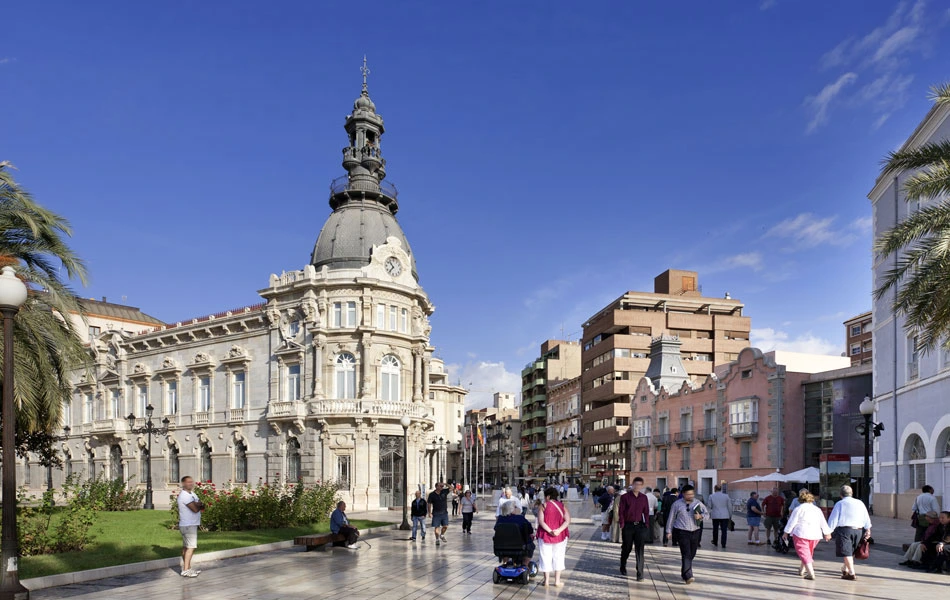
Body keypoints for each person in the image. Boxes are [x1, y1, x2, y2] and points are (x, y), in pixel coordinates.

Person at [782, 489, 832, 580]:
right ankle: (802, 570)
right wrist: (827, 533)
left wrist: (786, 532)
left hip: (801, 533)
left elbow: (792, 522)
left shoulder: (798, 509)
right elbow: (823, 522)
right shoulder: (817, 509)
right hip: (815, 534)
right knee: (807, 552)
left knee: (804, 553)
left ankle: (810, 573)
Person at [664, 484, 709, 584]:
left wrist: (700, 516)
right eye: (688, 494)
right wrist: (668, 531)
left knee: (692, 553)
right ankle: (688, 576)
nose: (690, 496)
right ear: (683, 494)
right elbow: (671, 518)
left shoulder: (698, 503)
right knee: (686, 553)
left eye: (692, 494)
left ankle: (684, 572)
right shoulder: (676, 504)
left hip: (695, 531)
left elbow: (707, 514)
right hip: (681, 531)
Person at [827, 485, 871, 581]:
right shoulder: (860, 503)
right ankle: (845, 568)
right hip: (858, 530)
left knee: (846, 551)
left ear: (841, 494)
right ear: (852, 493)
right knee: (851, 551)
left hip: (845, 530)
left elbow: (834, 518)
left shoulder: (840, 504)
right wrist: (868, 529)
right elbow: (866, 516)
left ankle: (851, 573)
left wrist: (828, 531)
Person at [537, 486, 570, 587]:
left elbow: (541, 521)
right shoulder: (562, 506)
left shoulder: (543, 506)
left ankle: (546, 581)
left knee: (545, 557)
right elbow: (568, 520)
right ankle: (557, 581)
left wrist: (550, 531)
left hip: (545, 535)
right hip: (560, 536)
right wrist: (558, 530)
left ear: (547, 496)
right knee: (558, 557)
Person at [619, 477, 651, 581]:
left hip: (640, 526)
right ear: (632, 484)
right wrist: (622, 524)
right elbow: (621, 512)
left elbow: (646, 512)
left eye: (639, 485)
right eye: (636, 484)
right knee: (627, 548)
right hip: (628, 526)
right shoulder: (625, 497)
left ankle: (640, 573)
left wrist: (646, 524)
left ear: (642, 486)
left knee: (640, 550)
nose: (637, 487)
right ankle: (623, 564)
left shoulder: (644, 497)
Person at [177, 476, 204, 577]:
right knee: (191, 547)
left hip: (191, 524)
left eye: (191, 482)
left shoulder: (192, 494)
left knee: (186, 547)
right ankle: (185, 570)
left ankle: (188, 568)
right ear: (183, 484)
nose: (191, 484)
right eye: (188, 482)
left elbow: (201, 505)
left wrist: (198, 504)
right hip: (188, 524)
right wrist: (198, 505)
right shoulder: (184, 496)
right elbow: (195, 509)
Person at [496, 501, 535, 568]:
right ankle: (525, 564)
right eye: (515, 507)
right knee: (531, 545)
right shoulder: (520, 518)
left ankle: (505, 562)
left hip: (503, 546)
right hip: (520, 545)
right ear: (511, 509)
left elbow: (496, 529)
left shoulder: (500, 519)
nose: (516, 508)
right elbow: (530, 530)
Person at [708, 484, 732, 549]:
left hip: (715, 514)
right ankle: (723, 543)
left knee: (715, 529)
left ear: (714, 489)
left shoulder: (711, 496)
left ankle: (715, 541)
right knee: (724, 530)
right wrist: (730, 515)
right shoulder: (726, 496)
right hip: (725, 515)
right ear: (721, 489)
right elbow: (729, 506)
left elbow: (709, 506)